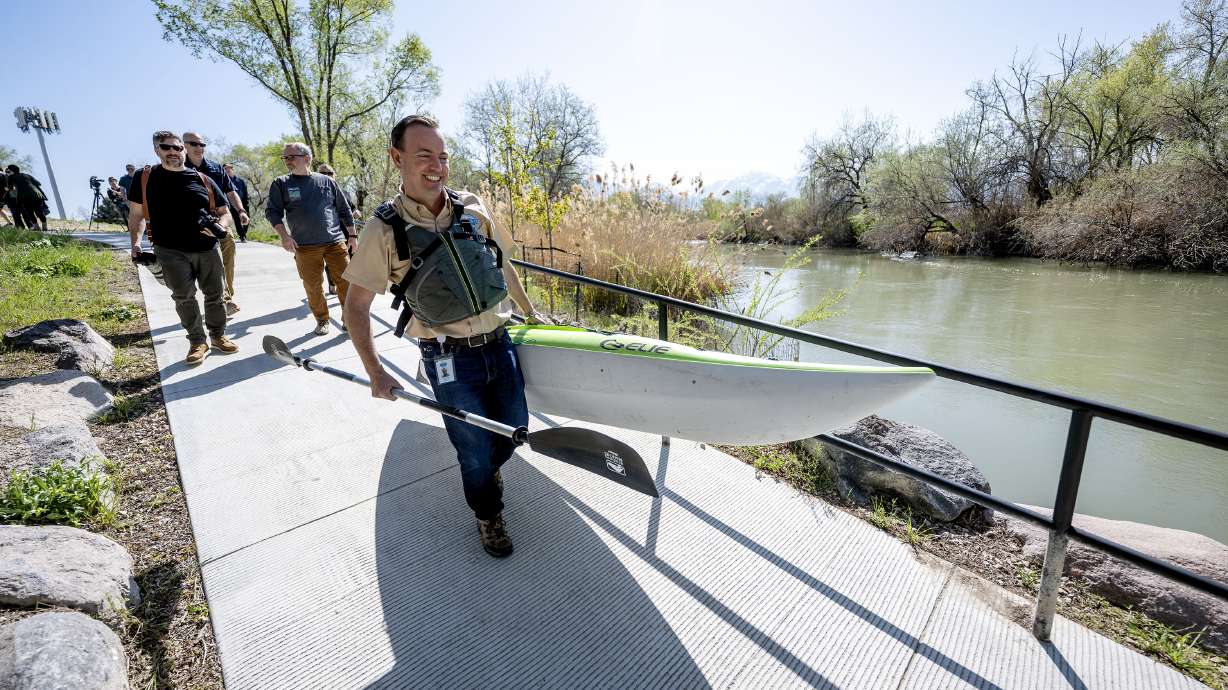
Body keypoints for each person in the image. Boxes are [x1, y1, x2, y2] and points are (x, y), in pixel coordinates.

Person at [342, 115, 550, 558]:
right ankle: (488, 514)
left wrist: (530, 313)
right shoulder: (383, 230)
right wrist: (376, 372)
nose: (437, 166)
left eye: (442, 156)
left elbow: (503, 264)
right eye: (424, 157)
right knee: (473, 451)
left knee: (515, 430)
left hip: (500, 341)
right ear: (397, 159)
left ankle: (485, 476)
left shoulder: (472, 207)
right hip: (447, 358)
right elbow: (356, 307)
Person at [126, 131, 239, 365]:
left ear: (184, 150)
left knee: (215, 295)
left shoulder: (202, 179)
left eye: (178, 148)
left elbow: (225, 212)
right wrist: (135, 242)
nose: (173, 152)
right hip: (169, 249)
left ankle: (218, 336)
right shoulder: (145, 178)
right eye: (166, 148)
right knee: (183, 297)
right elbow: (136, 214)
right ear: (157, 150)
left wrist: (220, 226)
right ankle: (198, 341)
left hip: (207, 248)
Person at [266, 142, 356, 336]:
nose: (287, 161)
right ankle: (322, 320)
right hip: (305, 246)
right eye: (285, 158)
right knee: (313, 286)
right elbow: (273, 212)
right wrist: (284, 236)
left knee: (346, 282)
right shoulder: (281, 183)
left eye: (291, 157)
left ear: (306, 158)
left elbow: (344, 209)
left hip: (335, 242)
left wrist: (353, 235)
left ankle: (349, 318)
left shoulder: (327, 181)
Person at [182, 132, 248, 316]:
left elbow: (231, 192)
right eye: (194, 144)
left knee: (228, 248)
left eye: (202, 144)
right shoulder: (179, 168)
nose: (199, 147)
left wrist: (241, 211)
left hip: (220, 219)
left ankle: (226, 298)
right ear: (184, 146)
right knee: (203, 264)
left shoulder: (215, 168)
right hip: (192, 223)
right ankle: (219, 298)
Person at [4, 165, 49, 231]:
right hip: (37, 194)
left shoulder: (11, 177)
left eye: (8, 170)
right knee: (39, 211)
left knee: (30, 212)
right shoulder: (26, 175)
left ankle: (36, 227)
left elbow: (10, 188)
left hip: (24, 196)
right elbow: (38, 183)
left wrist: (7, 189)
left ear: (11, 171)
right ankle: (44, 226)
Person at [223, 163, 251, 242]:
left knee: (247, 219)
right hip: (231, 204)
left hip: (243, 203)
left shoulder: (240, 181)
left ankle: (244, 233)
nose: (228, 169)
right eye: (225, 168)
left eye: (229, 168)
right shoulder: (224, 181)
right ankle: (242, 236)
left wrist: (246, 201)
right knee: (237, 220)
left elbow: (245, 191)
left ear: (232, 169)